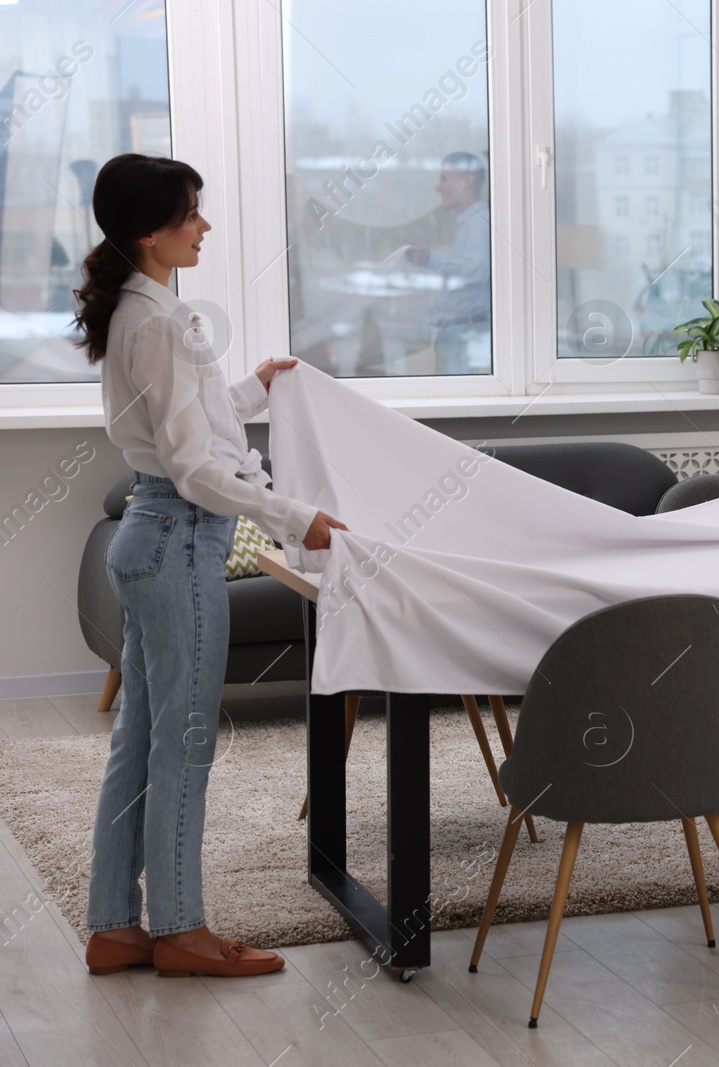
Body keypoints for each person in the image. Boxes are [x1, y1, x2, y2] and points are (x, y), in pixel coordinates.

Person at [73, 154, 347, 977]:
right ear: (148, 231)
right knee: (185, 745)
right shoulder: (159, 320)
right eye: (191, 214)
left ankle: (116, 925)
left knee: (142, 740)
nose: (205, 226)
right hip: (179, 538)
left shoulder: (140, 308)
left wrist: (254, 387)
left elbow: (184, 428)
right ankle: (184, 930)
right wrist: (297, 518)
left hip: (153, 539)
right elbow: (193, 469)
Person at [405, 151, 491, 375]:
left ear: (468, 180)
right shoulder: (468, 223)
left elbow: (477, 270)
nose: (438, 187)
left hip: (464, 336)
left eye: (445, 178)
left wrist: (431, 260)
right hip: (457, 333)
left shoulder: (479, 223)